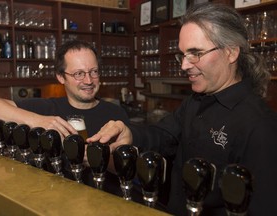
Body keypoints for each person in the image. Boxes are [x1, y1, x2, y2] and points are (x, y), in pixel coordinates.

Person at [87, 3, 277, 216]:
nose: (184, 65)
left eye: (195, 53)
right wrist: (130, 133)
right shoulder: (196, 101)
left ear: (231, 52)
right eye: (183, 55)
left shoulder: (260, 125)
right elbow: (163, 135)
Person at [0, 40, 130, 194]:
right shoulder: (47, 108)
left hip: (104, 201)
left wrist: (100, 159)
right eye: (79, 74)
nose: (89, 80)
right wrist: (37, 120)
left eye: (94, 71)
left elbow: (126, 168)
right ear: (61, 77)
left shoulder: (115, 114)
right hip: (53, 199)